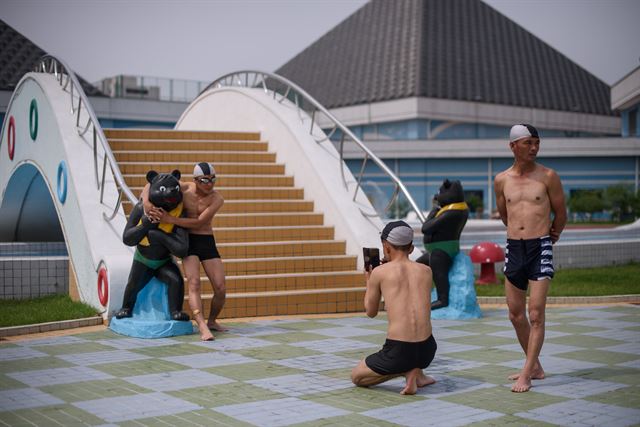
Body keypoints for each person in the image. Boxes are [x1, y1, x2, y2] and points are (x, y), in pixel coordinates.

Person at [494, 124, 567, 393]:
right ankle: (535, 366)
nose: (534, 148)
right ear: (513, 146)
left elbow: (561, 213)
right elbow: (505, 215)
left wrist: (551, 237)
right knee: (515, 314)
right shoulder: (501, 179)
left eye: (537, 142)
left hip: (540, 247)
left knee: (535, 314)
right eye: (528, 143)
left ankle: (527, 373)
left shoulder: (548, 176)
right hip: (514, 248)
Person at [351, 221, 437, 395]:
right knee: (412, 354)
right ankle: (417, 372)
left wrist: (369, 279)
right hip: (428, 350)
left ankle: (406, 371)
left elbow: (371, 311)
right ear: (411, 248)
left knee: (357, 378)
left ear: (386, 247)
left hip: (400, 350)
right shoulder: (426, 270)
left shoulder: (379, 273)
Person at [144, 162, 226, 341]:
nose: (209, 184)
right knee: (194, 283)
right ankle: (202, 325)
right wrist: (146, 203)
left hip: (206, 241)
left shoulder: (217, 199)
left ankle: (212, 320)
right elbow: (151, 184)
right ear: (196, 180)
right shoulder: (185, 188)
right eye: (205, 180)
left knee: (220, 288)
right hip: (188, 242)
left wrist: (169, 219)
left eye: (213, 180)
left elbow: (199, 222)